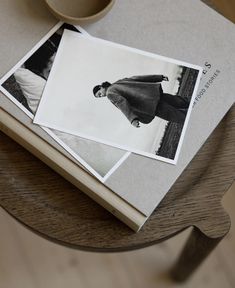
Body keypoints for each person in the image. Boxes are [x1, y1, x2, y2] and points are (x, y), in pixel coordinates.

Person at [93, 75, 189, 127]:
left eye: (99, 94)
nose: (101, 96)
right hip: (155, 94)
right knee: (181, 102)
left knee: (179, 117)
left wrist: (132, 119)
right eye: (99, 97)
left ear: (101, 87)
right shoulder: (118, 82)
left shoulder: (110, 94)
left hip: (150, 105)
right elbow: (137, 78)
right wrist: (159, 77)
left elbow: (122, 103)